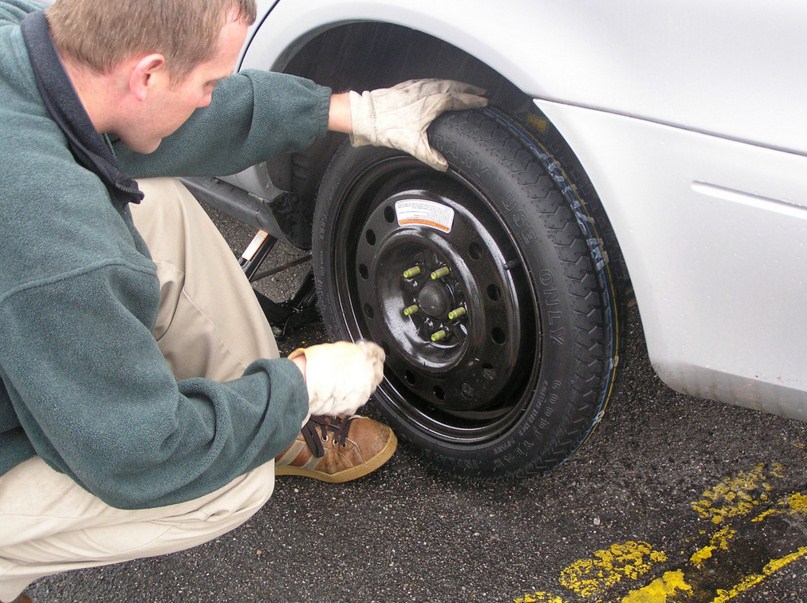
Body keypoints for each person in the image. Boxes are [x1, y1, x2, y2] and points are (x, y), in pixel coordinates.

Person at [0, 0, 487, 600]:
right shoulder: (50, 233)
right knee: (225, 486)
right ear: (147, 75)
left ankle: (255, 413)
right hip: (103, 418)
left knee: (152, 192)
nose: (212, 97)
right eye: (208, 83)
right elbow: (142, 455)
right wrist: (299, 386)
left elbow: (165, 115)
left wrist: (346, 112)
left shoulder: (27, 41)